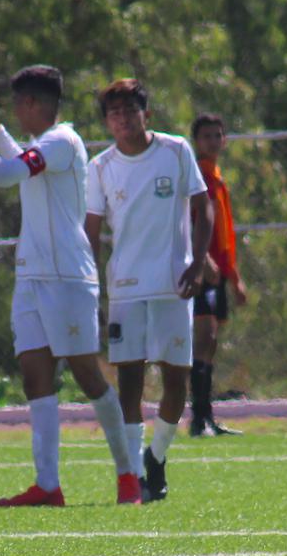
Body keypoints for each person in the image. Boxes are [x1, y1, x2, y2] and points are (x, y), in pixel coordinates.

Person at [0, 65, 136, 507]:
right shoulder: (43, 146)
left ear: (31, 104)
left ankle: (128, 474)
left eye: (15, 106)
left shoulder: (63, 141)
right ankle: (48, 485)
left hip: (66, 276)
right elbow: (19, 166)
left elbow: (7, 174)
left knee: (87, 375)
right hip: (32, 277)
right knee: (35, 375)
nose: (15, 113)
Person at [85, 79, 213, 503]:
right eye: (114, 113)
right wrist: (91, 284)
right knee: (130, 381)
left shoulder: (176, 151)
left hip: (173, 285)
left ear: (146, 115)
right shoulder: (100, 166)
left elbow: (202, 206)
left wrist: (197, 263)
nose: (122, 118)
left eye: (129, 110)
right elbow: (91, 229)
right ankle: (133, 472)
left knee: (177, 377)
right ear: (107, 122)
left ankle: (156, 457)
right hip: (125, 288)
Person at [189, 113, 247, 437]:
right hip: (202, 272)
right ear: (197, 142)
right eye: (207, 136)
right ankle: (198, 419)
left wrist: (234, 276)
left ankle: (207, 416)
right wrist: (203, 261)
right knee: (203, 338)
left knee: (210, 344)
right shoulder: (195, 177)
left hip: (219, 273)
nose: (213, 141)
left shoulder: (217, 177)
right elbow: (188, 220)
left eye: (218, 135)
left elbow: (224, 234)